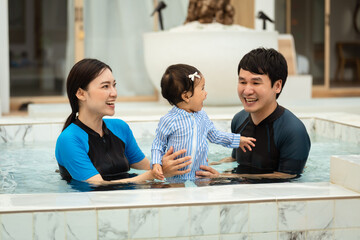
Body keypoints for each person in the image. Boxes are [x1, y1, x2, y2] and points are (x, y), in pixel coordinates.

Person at [55, 59, 192, 185]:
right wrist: (152, 175)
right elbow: (98, 185)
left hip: (128, 193)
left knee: (178, 184)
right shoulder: (69, 139)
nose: (114, 93)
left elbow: (148, 166)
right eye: (105, 86)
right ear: (81, 94)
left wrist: (186, 164)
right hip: (97, 201)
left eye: (114, 85)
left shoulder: (120, 128)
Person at [208, 47, 311, 179]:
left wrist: (225, 177)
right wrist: (209, 166)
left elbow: (287, 176)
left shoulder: (293, 131)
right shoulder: (239, 120)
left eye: (256, 83)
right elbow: (235, 158)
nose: (247, 91)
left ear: (277, 86)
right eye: (242, 82)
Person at [151, 64, 256, 181]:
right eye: (202, 89)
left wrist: (238, 140)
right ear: (186, 96)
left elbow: (215, 135)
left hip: (200, 173)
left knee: (204, 191)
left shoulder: (202, 117)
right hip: (176, 175)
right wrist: (156, 164)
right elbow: (158, 144)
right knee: (177, 193)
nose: (205, 93)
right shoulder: (169, 120)